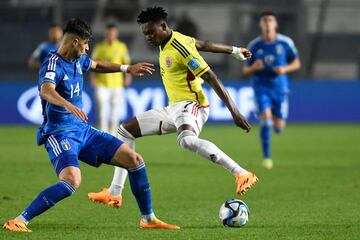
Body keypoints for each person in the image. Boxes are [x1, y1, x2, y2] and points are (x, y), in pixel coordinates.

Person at [3, 18, 179, 233]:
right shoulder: (52, 64)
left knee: (135, 160)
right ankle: (19, 220)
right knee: (71, 181)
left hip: (83, 131)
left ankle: (148, 219)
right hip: (60, 134)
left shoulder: (80, 59)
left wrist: (127, 68)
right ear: (75, 42)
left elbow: (98, 65)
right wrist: (67, 105)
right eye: (86, 44)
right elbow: (46, 90)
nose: (87, 49)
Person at [88, 6, 258, 208]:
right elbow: (204, 44)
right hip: (174, 108)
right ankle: (115, 193)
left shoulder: (180, 49)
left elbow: (211, 77)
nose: (149, 37)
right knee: (125, 130)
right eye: (145, 34)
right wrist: (235, 50)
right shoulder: (171, 39)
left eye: (151, 32)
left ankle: (241, 173)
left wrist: (235, 113)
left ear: (163, 26)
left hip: (193, 105)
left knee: (186, 141)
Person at [243, 11, 301, 169]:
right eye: (264, 20)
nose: (267, 23)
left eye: (270, 20)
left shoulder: (285, 43)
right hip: (261, 86)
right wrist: (254, 67)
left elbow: (296, 63)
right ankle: (267, 157)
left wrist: (284, 69)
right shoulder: (254, 46)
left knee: (278, 127)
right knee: (266, 121)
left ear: (275, 24)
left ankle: (279, 124)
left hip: (279, 87)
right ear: (261, 24)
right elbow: (245, 71)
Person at [91, 23, 132, 136]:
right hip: (102, 84)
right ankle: (104, 134)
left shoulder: (121, 47)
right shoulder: (99, 47)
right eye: (109, 32)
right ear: (106, 33)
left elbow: (126, 63)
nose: (111, 34)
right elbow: (93, 64)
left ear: (116, 34)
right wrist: (93, 78)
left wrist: (127, 77)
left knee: (115, 112)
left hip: (117, 84)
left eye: (113, 32)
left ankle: (113, 134)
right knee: (102, 111)